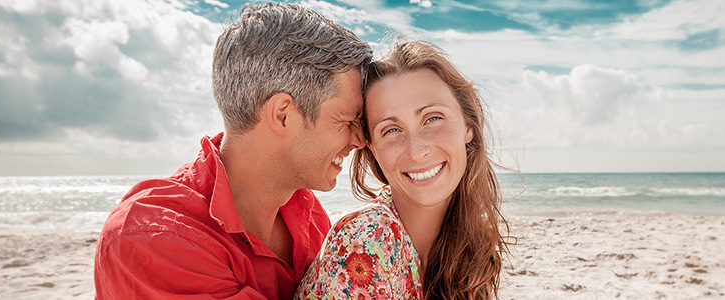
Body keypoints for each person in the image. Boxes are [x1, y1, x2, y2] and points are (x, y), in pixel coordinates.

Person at [93, 3, 372, 299]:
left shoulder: (308, 215)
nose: (359, 140)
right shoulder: (153, 238)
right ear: (283, 115)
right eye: (348, 120)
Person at [296, 40, 509, 300]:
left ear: (468, 126)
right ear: (372, 147)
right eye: (391, 130)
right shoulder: (364, 241)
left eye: (432, 118)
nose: (417, 151)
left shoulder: (469, 237)